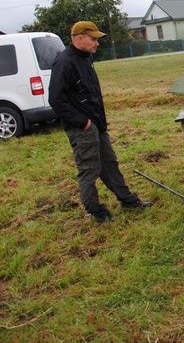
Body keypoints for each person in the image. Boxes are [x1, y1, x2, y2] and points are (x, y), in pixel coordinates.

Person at [49, 21, 151, 223]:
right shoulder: (65, 62)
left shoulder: (85, 59)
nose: (97, 43)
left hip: (97, 124)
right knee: (89, 168)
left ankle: (128, 201)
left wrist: (99, 124)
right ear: (79, 38)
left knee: (110, 163)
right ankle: (96, 211)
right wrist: (83, 122)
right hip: (82, 128)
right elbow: (56, 99)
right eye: (93, 39)